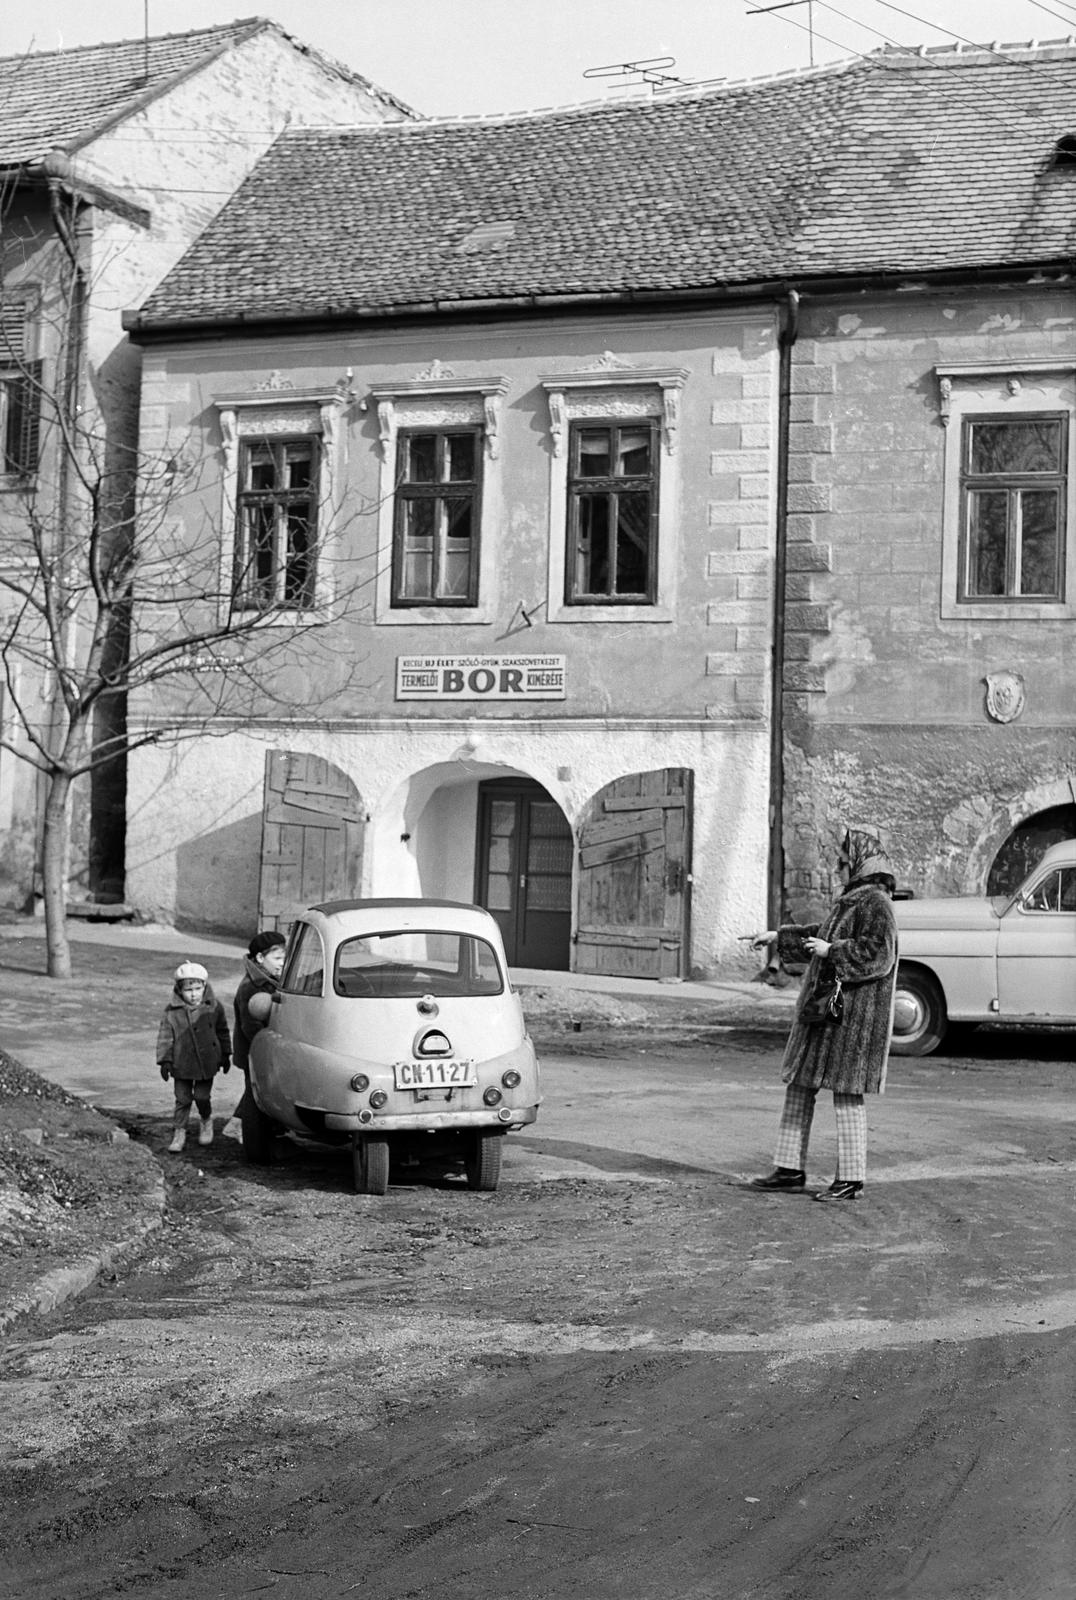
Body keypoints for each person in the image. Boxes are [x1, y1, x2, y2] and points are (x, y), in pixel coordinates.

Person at [746, 825, 898, 1202]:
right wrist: (778, 938)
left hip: (854, 1021)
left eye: (843, 862)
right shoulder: (852, 901)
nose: (837, 867)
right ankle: (788, 1169)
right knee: (800, 1085)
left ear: (862, 865)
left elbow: (879, 954)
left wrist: (833, 952)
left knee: (847, 1094)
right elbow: (822, 933)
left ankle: (851, 1180)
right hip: (826, 1013)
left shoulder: (876, 903)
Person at [156, 960, 232, 1154]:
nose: (193, 994)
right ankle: (179, 1130)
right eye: (188, 990)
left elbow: (222, 1031)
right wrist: (165, 1060)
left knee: (201, 1096)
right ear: (179, 990)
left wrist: (225, 1054)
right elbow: (165, 1036)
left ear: (204, 987)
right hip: (181, 1063)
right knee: (182, 1098)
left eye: (197, 989)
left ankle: (206, 1120)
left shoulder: (214, 1008)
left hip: (207, 1062)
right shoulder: (172, 1013)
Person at [221, 930, 287, 1142]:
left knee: (256, 1089)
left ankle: (249, 1125)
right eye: (277, 958)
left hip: (262, 1047)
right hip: (254, 1049)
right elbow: (250, 1025)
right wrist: (268, 1048)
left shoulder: (269, 979)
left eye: (284, 958)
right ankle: (238, 1125)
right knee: (253, 1091)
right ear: (260, 958)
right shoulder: (251, 986)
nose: (282, 963)